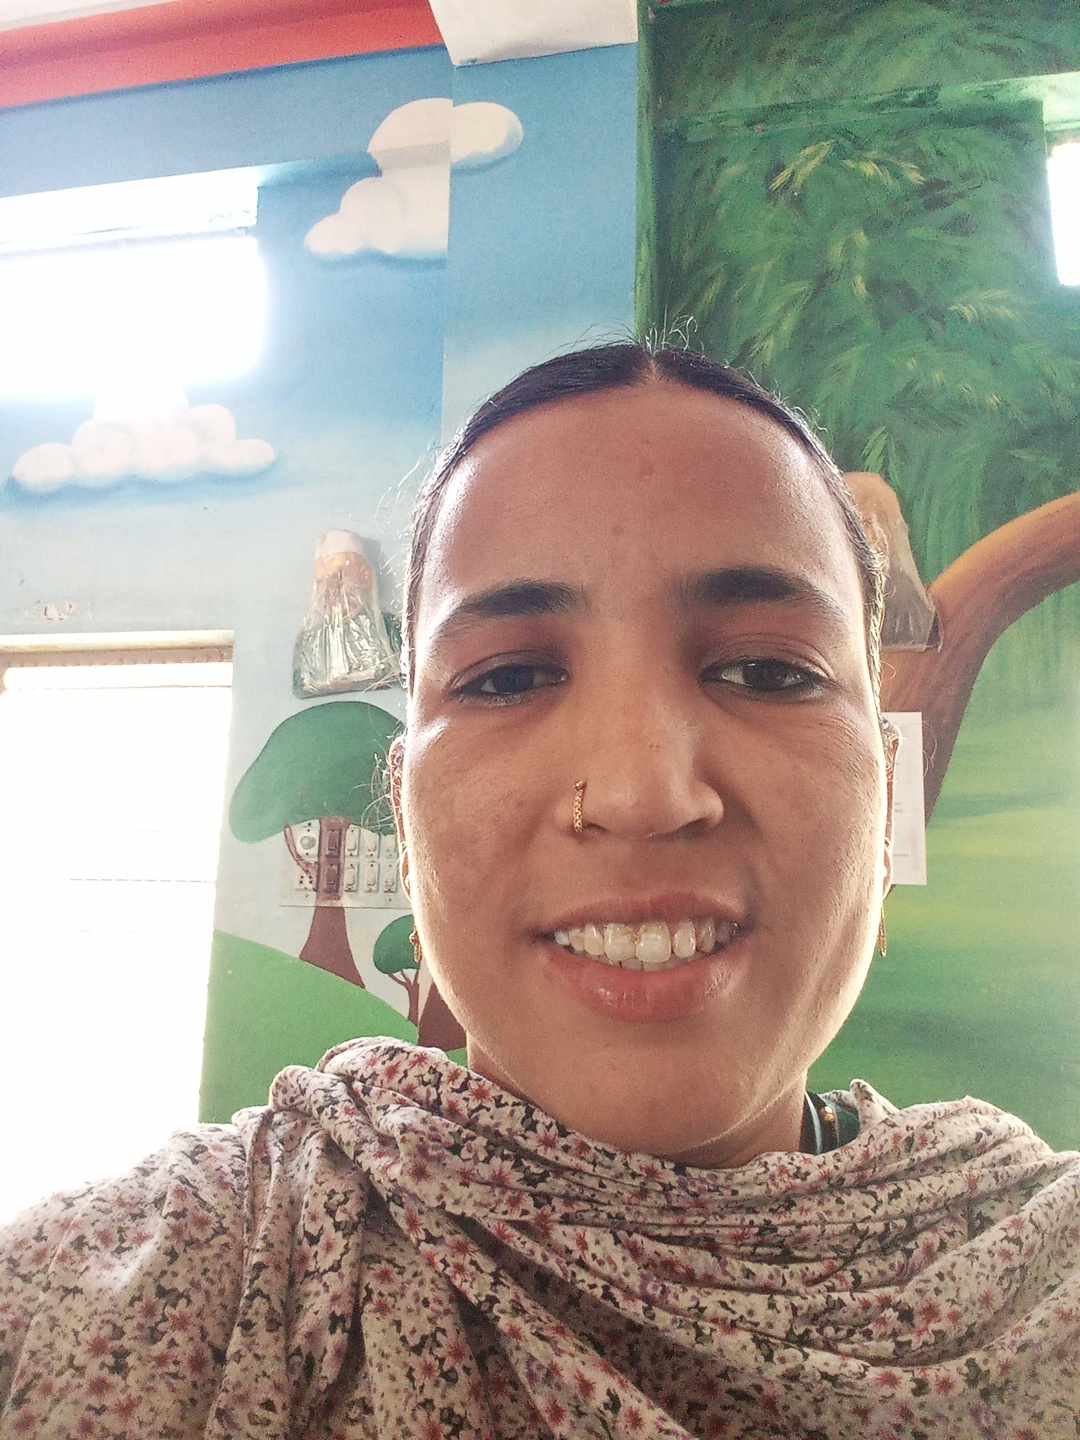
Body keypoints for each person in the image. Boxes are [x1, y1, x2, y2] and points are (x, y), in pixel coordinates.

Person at [1, 341, 1077, 1439]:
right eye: (510, 677)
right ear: (404, 812)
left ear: (885, 795)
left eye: (767, 670)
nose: (643, 795)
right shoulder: (148, 1290)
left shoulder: (1045, 1280)